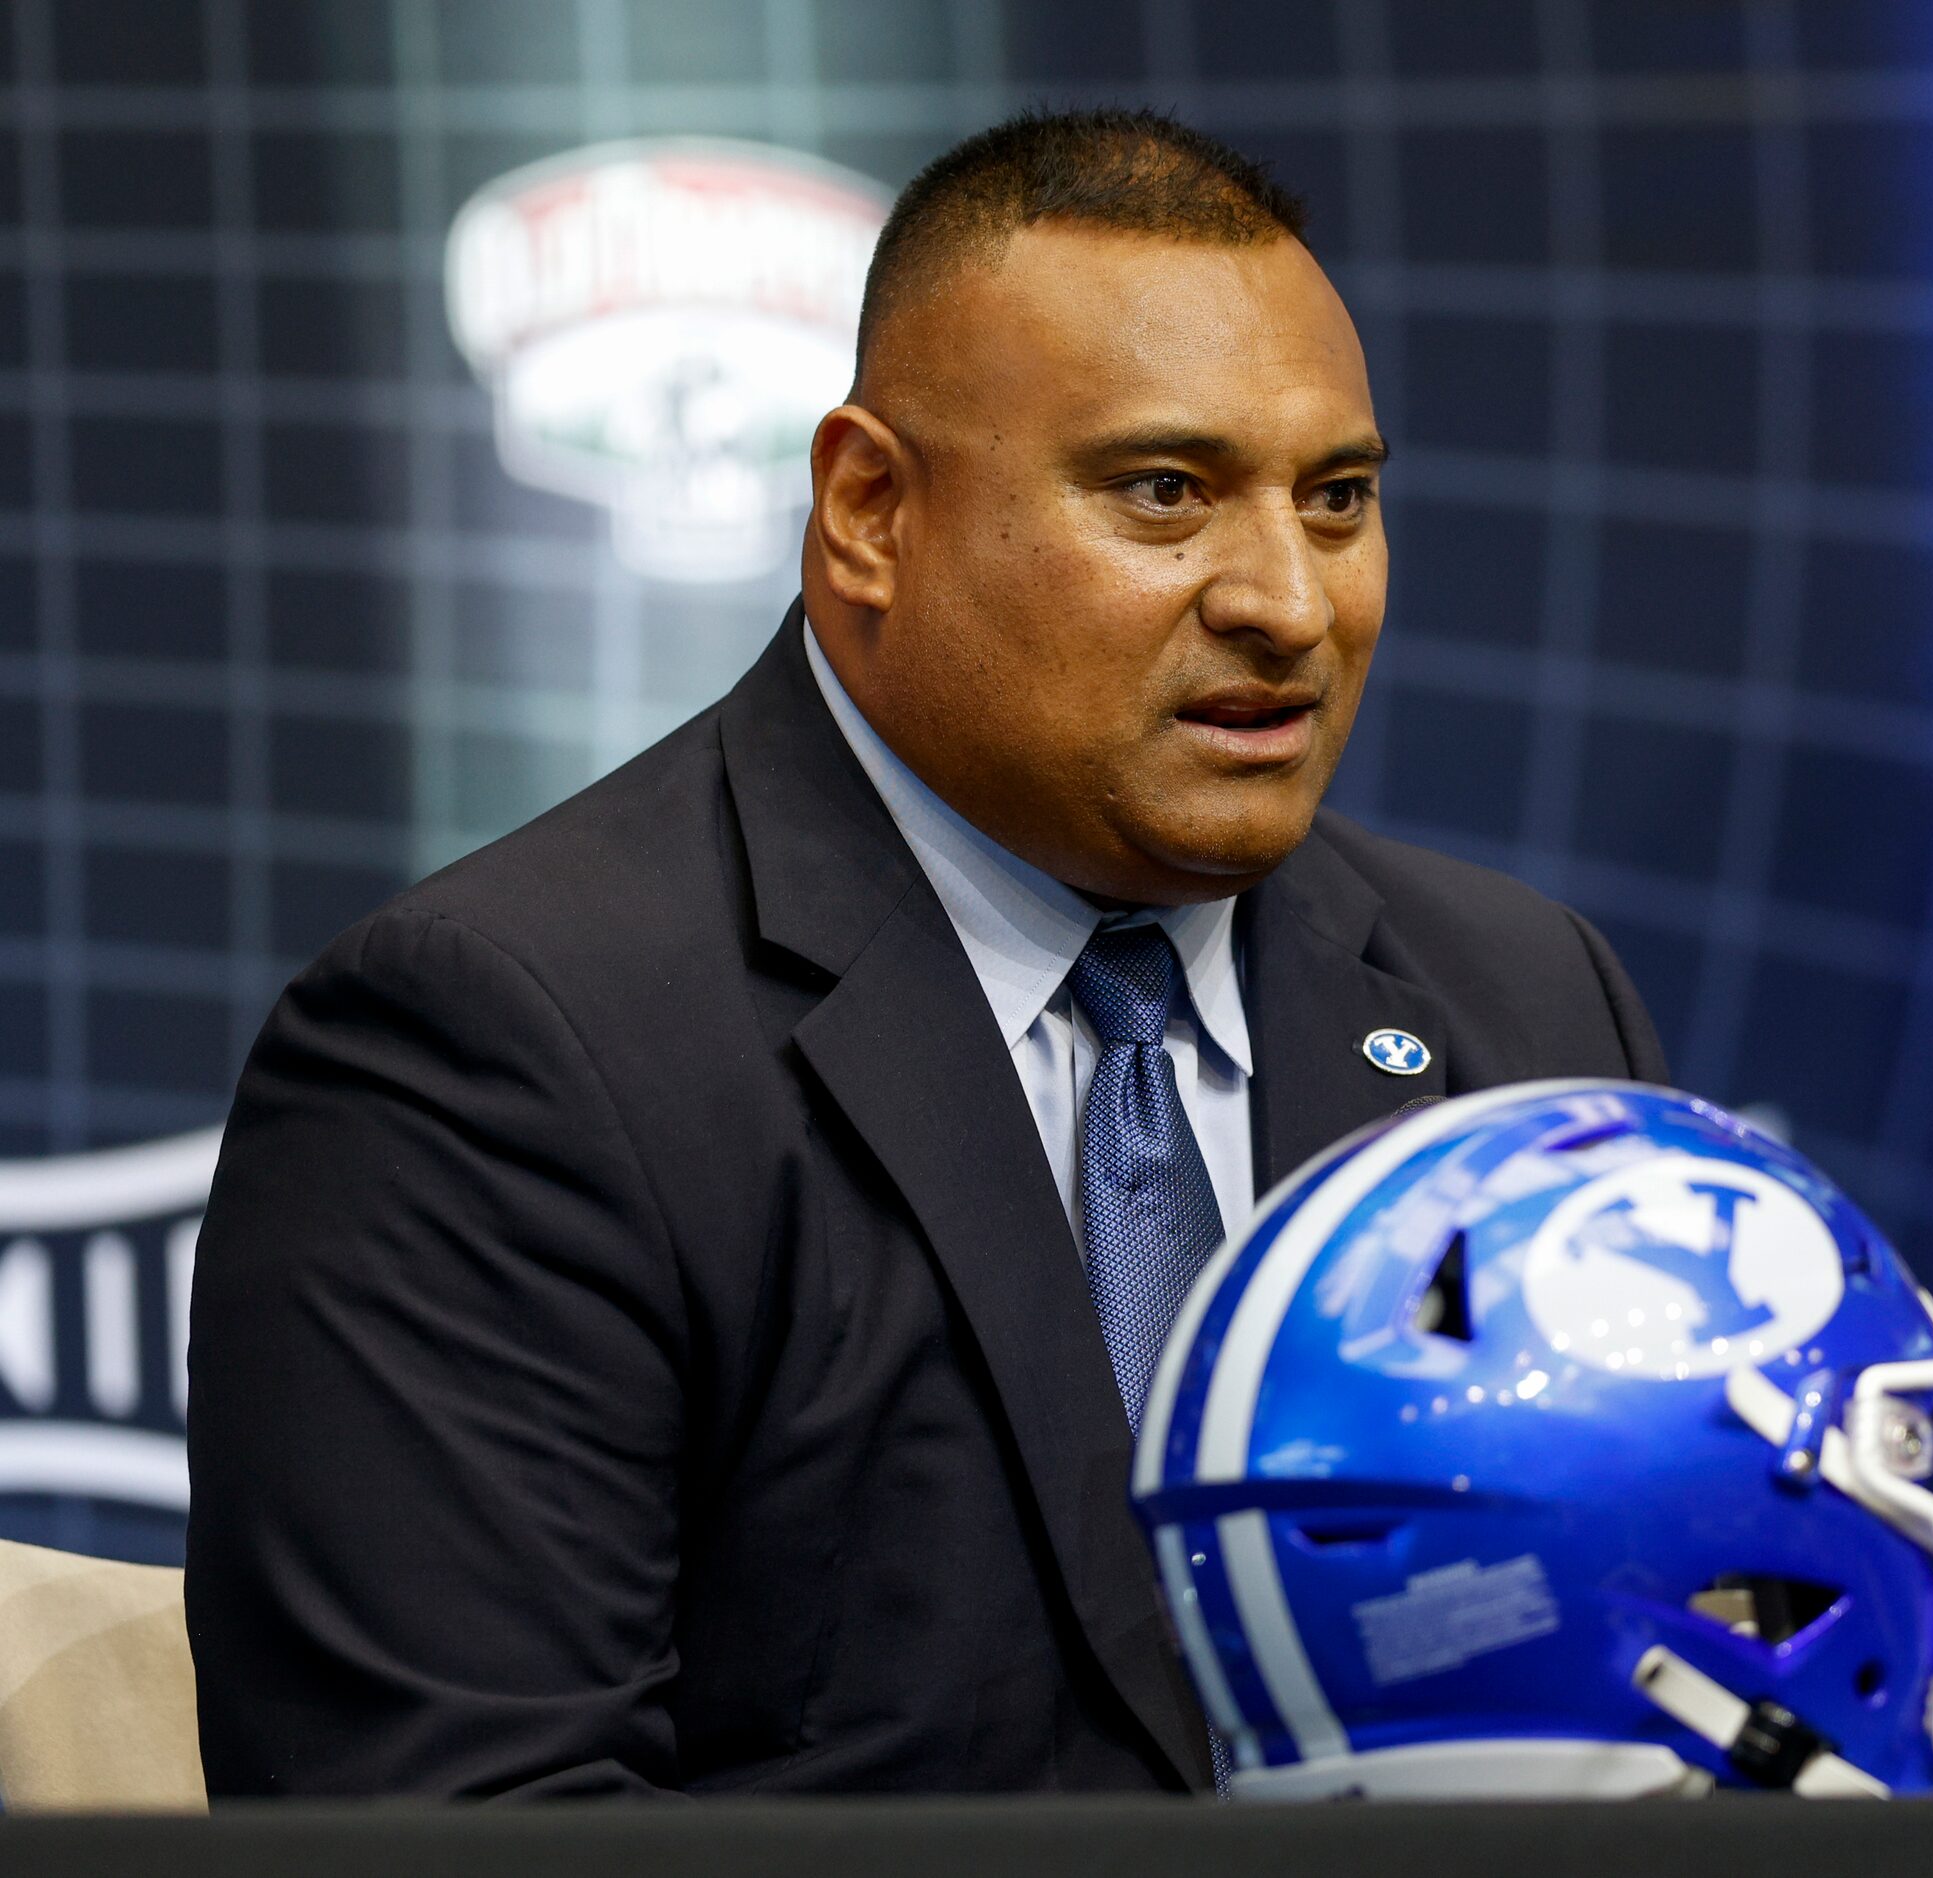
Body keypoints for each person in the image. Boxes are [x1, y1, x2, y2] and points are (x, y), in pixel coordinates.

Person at [181, 109, 1664, 1799]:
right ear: (869, 508)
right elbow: (458, 1821)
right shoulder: (502, 1045)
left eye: (1336, 499)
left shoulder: (1527, 1003)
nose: (1287, 600)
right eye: (1164, 491)